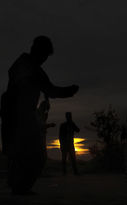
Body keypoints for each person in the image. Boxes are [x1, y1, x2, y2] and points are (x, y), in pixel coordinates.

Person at [1, 36, 79, 195]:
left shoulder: (31, 68)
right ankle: (19, 187)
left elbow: (49, 89)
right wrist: (67, 92)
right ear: (38, 51)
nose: (44, 60)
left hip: (21, 114)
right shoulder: (27, 67)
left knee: (27, 154)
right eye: (44, 56)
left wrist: (66, 92)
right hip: (17, 114)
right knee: (30, 154)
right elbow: (49, 89)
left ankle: (20, 187)